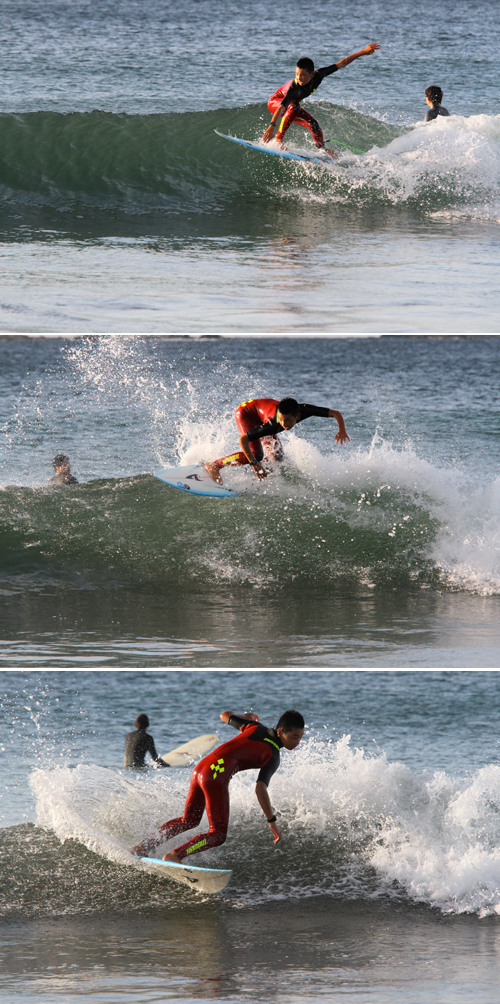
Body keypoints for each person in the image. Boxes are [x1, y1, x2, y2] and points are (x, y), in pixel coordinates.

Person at [131, 709, 305, 860]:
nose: (296, 742)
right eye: (294, 737)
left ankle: (143, 846)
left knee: (188, 820)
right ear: (281, 731)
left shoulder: (254, 726)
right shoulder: (273, 755)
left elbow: (224, 715)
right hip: (215, 776)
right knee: (218, 835)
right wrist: (272, 821)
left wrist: (244, 715)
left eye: (300, 738)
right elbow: (260, 789)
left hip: (200, 769)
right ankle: (175, 856)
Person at [262, 42, 380, 156]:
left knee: (314, 125)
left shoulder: (318, 76)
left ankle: (322, 149)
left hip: (292, 107)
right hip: (275, 103)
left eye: (303, 74)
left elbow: (341, 64)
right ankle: (278, 140)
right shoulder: (294, 87)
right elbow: (282, 107)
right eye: (297, 74)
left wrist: (363, 52)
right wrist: (272, 126)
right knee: (293, 106)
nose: (299, 78)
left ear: (312, 74)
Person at [205, 396, 350, 485]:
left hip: (261, 413)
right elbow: (242, 440)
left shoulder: (304, 410)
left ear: (297, 417)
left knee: (277, 457)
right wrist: (255, 464)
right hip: (246, 413)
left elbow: (335, 413)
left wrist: (342, 430)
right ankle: (215, 465)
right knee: (257, 455)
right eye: (281, 420)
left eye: (287, 421)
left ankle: (254, 471)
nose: (284, 424)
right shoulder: (273, 425)